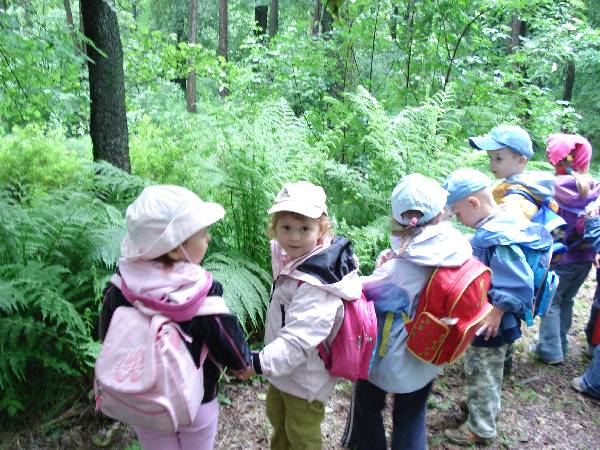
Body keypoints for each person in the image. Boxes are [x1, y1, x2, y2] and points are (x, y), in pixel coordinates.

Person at [98, 185, 252, 450]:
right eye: (202, 233)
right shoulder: (199, 291)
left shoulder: (120, 286)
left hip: (144, 400)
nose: (208, 238)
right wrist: (242, 364)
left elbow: (106, 336)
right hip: (196, 401)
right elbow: (226, 338)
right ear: (174, 249)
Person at [340, 173, 472, 450]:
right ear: (440, 213)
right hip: (428, 349)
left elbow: (364, 291)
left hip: (390, 354)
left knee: (366, 403)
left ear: (398, 218)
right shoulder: (455, 248)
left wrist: (372, 270)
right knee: (411, 415)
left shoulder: (400, 268)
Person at [236, 181, 363, 450]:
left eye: (304, 228)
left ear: (321, 230)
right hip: (283, 370)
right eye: (286, 228)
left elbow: (299, 339)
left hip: (306, 379)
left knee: (302, 435)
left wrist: (257, 363)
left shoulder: (317, 284)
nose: (294, 237)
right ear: (275, 228)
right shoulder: (295, 261)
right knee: (279, 421)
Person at [442, 168, 553, 446]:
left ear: (473, 203)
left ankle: (480, 429)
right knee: (488, 371)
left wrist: (497, 310)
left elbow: (517, 280)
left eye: (458, 213)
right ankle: (479, 405)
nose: (459, 219)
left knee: (482, 371)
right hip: (497, 318)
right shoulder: (505, 221)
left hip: (490, 321)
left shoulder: (495, 235)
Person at [468, 124, 558, 373]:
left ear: (521, 161)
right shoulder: (514, 186)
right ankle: (503, 361)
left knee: (500, 317)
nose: (492, 164)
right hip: (513, 271)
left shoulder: (517, 198)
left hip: (508, 271)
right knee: (506, 319)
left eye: (498, 158)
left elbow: (505, 234)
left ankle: (496, 366)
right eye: (490, 157)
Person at [533, 133, 600, 365]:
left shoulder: (552, 188)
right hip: (585, 259)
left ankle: (550, 350)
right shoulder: (594, 188)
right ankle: (560, 344)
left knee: (551, 303)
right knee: (567, 300)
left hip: (559, 259)